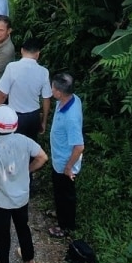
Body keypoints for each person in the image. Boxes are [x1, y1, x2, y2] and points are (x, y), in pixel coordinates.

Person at [0, 104, 46, 263]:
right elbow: (42, 157)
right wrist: (28, 170)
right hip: (22, 196)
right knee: (23, 226)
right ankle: (29, 258)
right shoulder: (24, 141)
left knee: (1, 233)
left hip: (1, 201)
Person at [47, 72, 84, 238]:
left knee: (66, 194)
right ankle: (60, 212)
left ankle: (65, 225)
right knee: (59, 191)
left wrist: (69, 167)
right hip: (58, 158)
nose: (51, 89)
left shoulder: (71, 118)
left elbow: (79, 146)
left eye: (52, 88)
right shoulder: (70, 99)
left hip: (65, 163)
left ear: (59, 93)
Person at [0, 36, 53, 139]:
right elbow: (46, 99)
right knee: (31, 146)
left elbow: (3, 95)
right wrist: (43, 121)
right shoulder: (44, 72)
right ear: (38, 54)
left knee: (14, 145)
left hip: (15, 116)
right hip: (33, 117)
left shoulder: (12, 67)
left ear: (22, 50)